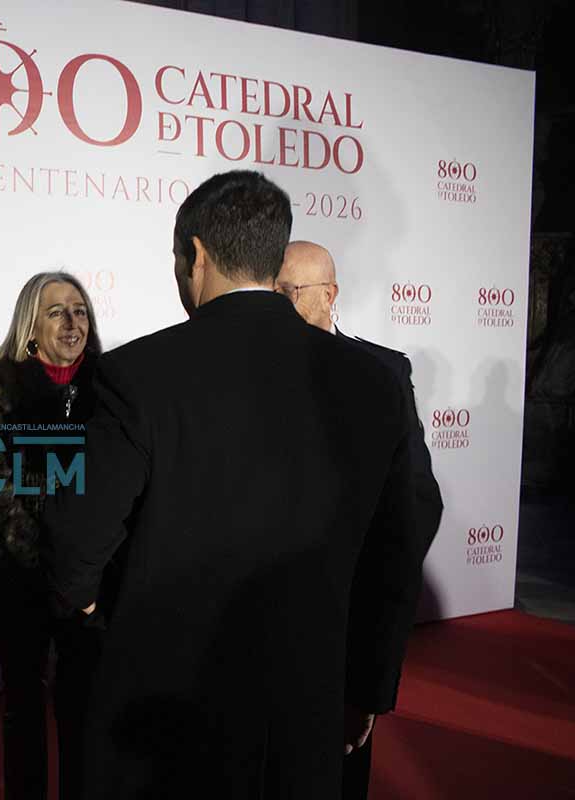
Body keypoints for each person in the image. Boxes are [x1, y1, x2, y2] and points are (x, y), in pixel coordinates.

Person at [43, 170, 429, 799]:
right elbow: (395, 553)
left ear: (195, 256)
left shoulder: (133, 375)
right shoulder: (373, 381)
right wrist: (367, 689)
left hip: (161, 718)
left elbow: (74, 543)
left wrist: (108, 616)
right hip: (307, 705)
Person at [277, 240, 443, 799]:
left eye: (290, 292)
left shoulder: (383, 372)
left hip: (345, 628)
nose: (278, 303)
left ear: (330, 295)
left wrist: (372, 600)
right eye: (272, 291)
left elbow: (416, 502)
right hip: (260, 628)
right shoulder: (247, 369)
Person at [0, 272, 106, 800]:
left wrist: (84, 564)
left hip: (90, 582)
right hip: (18, 578)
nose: (72, 322)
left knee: (84, 710)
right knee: (23, 708)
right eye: (56, 312)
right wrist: (53, 557)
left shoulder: (111, 389)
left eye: (80, 311)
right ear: (30, 326)